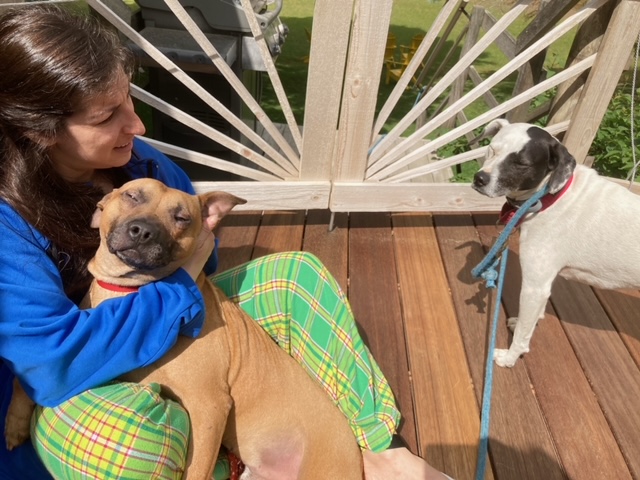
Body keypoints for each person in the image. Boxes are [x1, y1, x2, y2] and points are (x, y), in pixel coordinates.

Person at [0, 4, 453, 479]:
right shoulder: (9, 225)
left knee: (295, 277)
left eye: (129, 98)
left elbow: (206, 259)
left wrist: (188, 269)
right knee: (128, 444)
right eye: (107, 115)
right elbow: (52, 365)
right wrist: (180, 284)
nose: (137, 125)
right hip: (70, 374)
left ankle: (382, 450)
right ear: (39, 130)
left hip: (139, 318)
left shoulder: (139, 164)